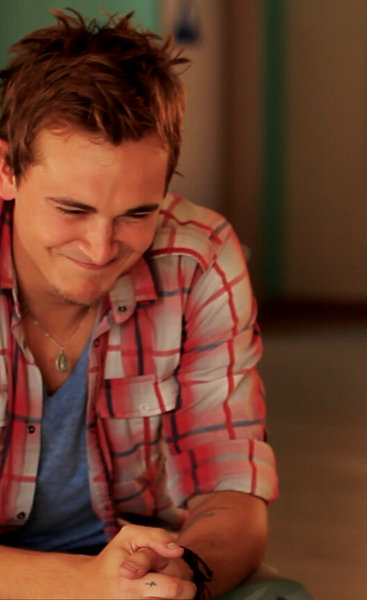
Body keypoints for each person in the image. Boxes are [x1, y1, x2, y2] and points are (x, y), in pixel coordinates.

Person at [0, 10, 311, 600]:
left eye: (137, 214)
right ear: (7, 170)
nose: (100, 248)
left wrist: (183, 573)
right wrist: (85, 585)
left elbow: (232, 490)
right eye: (72, 210)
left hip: (130, 570)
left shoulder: (200, 258)